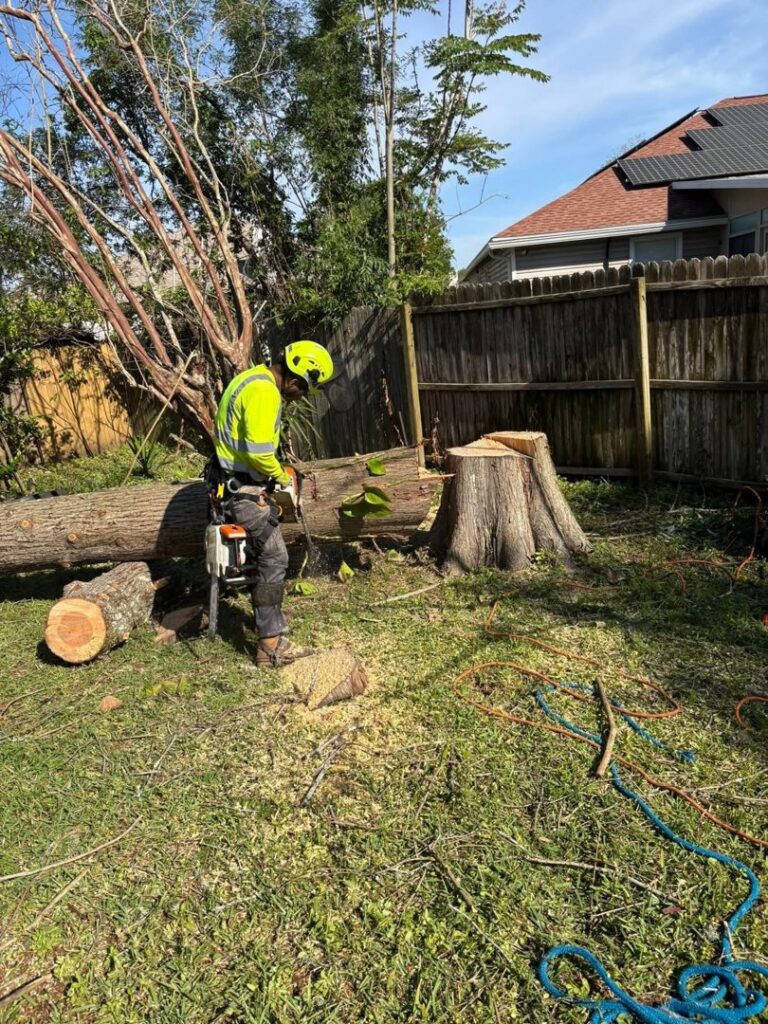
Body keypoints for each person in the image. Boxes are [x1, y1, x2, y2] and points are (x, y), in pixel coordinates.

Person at [211, 340, 334, 667]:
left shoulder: (249, 378)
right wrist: (281, 476)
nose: (300, 397)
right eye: (304, 390)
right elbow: (260, 454)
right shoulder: (266, 393)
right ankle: (269, 645)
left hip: (226, 483)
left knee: (262, 555)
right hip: (241, 492)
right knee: (275, 555)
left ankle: (268, 632)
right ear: (296, 380)